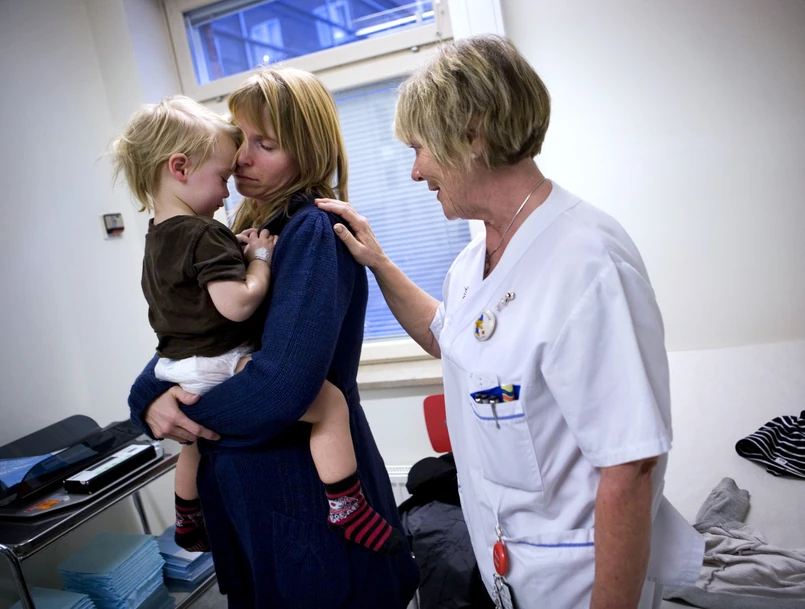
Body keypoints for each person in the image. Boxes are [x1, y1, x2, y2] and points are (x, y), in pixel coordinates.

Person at [316, 35, 705, 609]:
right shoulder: (474, 260)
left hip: (579, 585)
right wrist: (378, 263)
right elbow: (449, 339)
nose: (416, 172)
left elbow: (631, 465)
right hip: (509, 572)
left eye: (421, 148)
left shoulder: (587, 262)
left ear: (472, 133)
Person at [126, 71, 419, 608]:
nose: (241, 157)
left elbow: (282, 386)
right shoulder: (239, 229)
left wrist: (185, 411)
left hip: (305, 499)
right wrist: (148, 398)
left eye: (266, 144)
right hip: (253, 499)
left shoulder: (312, 232)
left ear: (306, 152)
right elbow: (194, 337)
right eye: (241, 137)